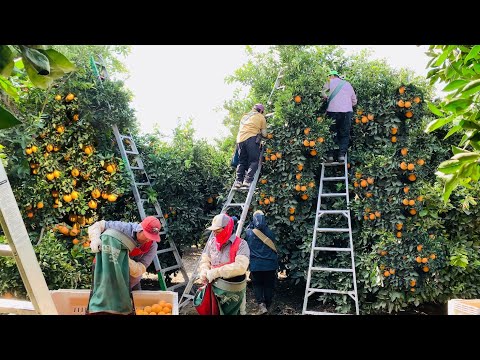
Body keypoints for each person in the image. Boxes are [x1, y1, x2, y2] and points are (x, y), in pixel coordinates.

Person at [88, 216, 161, 291]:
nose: (148, 239)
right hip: (107, 265)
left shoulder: (152, 246)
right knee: (102, 292)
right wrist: (95, 239)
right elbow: (98, 225)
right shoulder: (124, 228)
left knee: (134, 285)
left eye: (152, 237)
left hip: (128, 274)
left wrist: (123, 259)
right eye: (147, 235)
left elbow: (141, 268)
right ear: (140, 229)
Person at [197, 213, 250, 315]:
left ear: (227, 228)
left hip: (233, 290)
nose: (215, 234)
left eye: (218, 231)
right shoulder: (211, 243)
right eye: (213, 231)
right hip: (215, 288)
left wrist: (216, 272)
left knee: (237, 312)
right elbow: (205, 260)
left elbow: (241, 267)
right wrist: (204, 270)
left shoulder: (241, 244)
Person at [245, 210, 278, 315]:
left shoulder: (249, 232)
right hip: (270, 265)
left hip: (256, 265)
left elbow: (246, 235)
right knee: (269, 285)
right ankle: (268, 304)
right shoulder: (270, 232)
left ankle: (261, 304)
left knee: (257, 285)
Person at [322, 70, 357, 162]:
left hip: (332, 111)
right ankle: (341, 155)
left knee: (331, 132)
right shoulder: (348, 84)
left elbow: (323, 93)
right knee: (344, 134)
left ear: (332, 76)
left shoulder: (329, 82)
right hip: (346, 112)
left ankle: (330, 155)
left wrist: (327, 98)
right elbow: (354, 101)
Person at [234, 103, 267, 189]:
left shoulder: (244, 116)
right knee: (254, 160)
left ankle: (238, 181)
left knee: (241, 161)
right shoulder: (261, 117)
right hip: (251, 138)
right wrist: (261, 132)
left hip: (240, 140)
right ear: (260, 111)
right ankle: (247, 180)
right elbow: (265, 134)